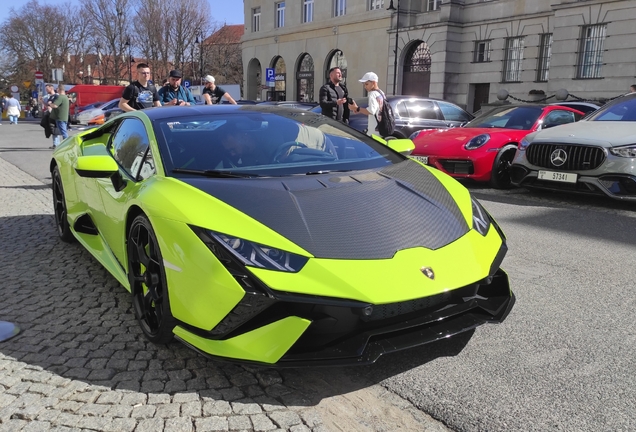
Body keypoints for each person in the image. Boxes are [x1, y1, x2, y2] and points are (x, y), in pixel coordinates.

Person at [348, 72, 386, 136]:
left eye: (366, 84)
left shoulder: (372, 94)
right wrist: (358, 109)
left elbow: (371, 111)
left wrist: (357, 108)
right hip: (382, 128)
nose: (365, 86)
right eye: (364, 84)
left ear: (373, 83)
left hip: (374, 131)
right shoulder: (381, 93)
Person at [45, 84, 69, 149]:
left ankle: (67, 145)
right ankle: (65, 144)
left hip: (60, 117)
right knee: (63, 131)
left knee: (63, 132)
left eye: (57, 89)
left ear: (59, 89)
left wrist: (50, 103)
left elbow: (55, 105)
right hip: (64, 117)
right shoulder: (65, 97)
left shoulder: (60, 97)